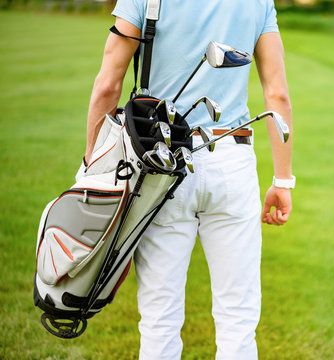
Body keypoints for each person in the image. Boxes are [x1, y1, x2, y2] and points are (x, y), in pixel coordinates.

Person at [83, 1, 294, 358]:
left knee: (159, 317)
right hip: (232, 160)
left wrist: (91, 166)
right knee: (238, 318)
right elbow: (277, 95)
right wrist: (283, 180)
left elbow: (108, 85)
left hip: (161, 164)